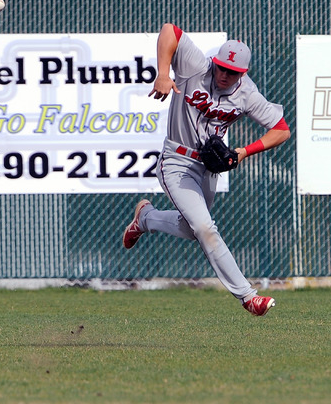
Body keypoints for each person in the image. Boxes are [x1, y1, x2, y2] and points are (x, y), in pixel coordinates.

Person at [123, 23, 290, 316]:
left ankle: (145, 218)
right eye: (221, 68)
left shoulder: (247, 94)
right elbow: (169, 31)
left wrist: (243, 152)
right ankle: (248, 296)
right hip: (176, 160)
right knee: (205, 228)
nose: (224, 75)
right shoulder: (195, 67)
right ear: (215, 63)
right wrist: (163, 73)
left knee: (192, 230)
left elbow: (281, 130)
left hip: (208, 167)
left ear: (243, 73)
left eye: (232, 72)